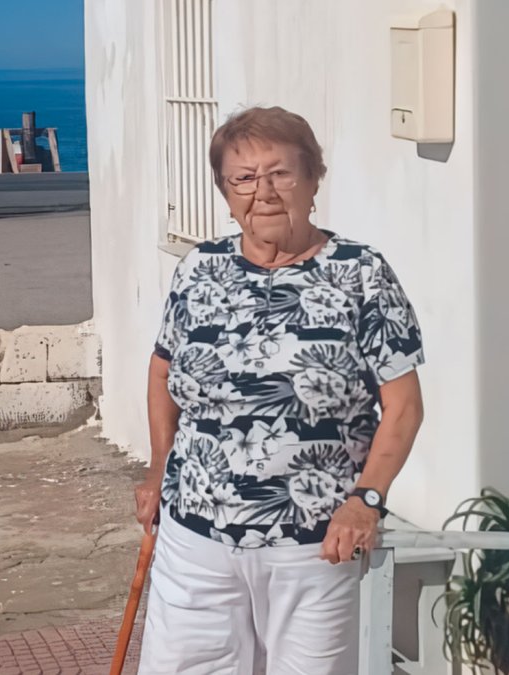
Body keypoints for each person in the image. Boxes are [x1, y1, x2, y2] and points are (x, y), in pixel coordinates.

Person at [133, 106, 426, 674]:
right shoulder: (199, 269)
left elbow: (404, 406)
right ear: (225, 191)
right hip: (194, 535)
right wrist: (157, 467)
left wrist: (365, 501)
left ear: (314, 179)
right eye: (243, 178)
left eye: (281, 174)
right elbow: (163, 369)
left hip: (313, 544)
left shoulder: (361, 274)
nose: (262, 192)